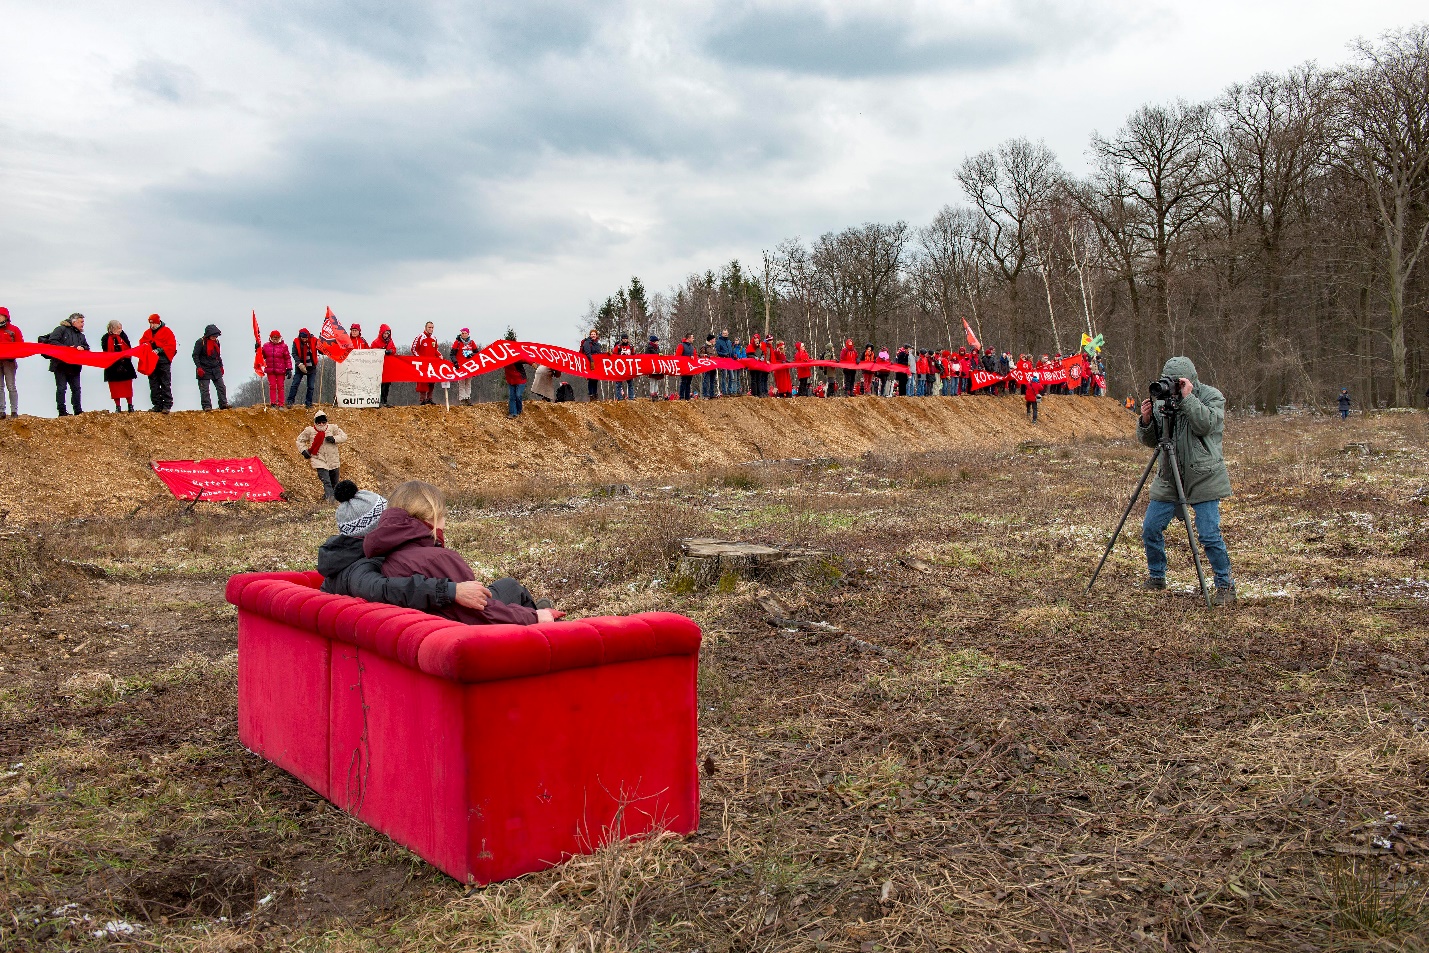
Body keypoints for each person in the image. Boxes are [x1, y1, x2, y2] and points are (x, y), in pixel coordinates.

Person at [364, 480, 564, 626]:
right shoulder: (438, 558)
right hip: (468, 632)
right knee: (513, 588)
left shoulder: (385, 555)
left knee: (507, 586)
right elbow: (481, 614)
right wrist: (534, 617)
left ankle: (536, 608)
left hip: (437, 625)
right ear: (433, 515)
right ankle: (543, 621)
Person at [1137, 356, 1236, 606]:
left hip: (1204, 475)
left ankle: (1225, 585)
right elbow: (1153, 441)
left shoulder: (1211, 396)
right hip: (1170, 475)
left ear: (1190, 380)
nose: (1172, 387)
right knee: (1150, 527)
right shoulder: (1162, 401)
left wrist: (1188, 398)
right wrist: (1146, 421)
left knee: (1209, 534)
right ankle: (1157, 576)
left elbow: (1206, 426)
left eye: (1176, 382)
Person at [318, 480, 492, 614]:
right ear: (378, 526)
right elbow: (382, 589)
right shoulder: (361, 566)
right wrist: (451, 590)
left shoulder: (347, 559)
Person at [39, 313, 89, 416]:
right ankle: (62, 412)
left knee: (76, 389)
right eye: (81, 322)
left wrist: (83, 348)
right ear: (74, 322)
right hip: (60, 365)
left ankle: (78, 411)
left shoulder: (81, 335)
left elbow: (87, 347)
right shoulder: (60, 329)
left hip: (74, 366)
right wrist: (67, 348)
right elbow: (52, 341)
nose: (83, 324)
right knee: (61, 388)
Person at [296, 411, 347, 500]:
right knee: (326, 481)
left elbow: (344, 436)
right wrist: (304, 451)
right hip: (318, 459)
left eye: (323, 422)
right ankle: (330, 500)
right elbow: (299, 440)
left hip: (333, 459)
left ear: (326, 422)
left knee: (334, 482)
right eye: (319, 422)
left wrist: (334, 439)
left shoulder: (332, 428)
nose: (321, 424)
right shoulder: (310, 431)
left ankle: (329, 497)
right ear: (315, 422)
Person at [138, 314, 176, 412]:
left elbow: (171, 346)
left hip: (163, 361)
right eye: (150, 323)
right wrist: (148, 346)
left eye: (154, 323)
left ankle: (167, 405)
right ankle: (157, 405)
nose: (152, 325)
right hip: (151, 361)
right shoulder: (147, 333)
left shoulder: (167, 331)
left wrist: (159, 349)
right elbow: (142, 343)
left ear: (158, 322)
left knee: (165, 383)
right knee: (153, 383)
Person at [101, 320, 136, 412]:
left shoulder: (123, 336)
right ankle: (118, 407)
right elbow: (105, 351)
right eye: (118, 328)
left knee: (127, 386)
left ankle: (130, 405)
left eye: (121, 328)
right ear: (113, 328)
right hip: (112, 366)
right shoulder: (105, 337)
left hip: (125, 364)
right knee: (115, 388)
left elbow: (129, 348)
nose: (120, 330)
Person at [192, 324, 228, 411]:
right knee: (204, 389)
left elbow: (218, 356)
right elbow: (195, 355)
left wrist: (221, 366)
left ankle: (223, 404)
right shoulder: (200, 342)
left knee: (221, 386)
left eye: (216, 336)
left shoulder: (217, 342)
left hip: (215, 367)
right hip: (204, 368)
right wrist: (199, 367)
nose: (215, 337)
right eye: (213, 336)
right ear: (208, 335)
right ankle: (207, 406)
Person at [287, 328, 319, 408]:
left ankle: (308, 403)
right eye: (302, 338)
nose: (304, 339)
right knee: (295, 384)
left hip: (312, 366)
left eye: (305, 338)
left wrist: (323, 349)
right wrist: (299, 364)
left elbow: (320, 349)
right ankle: (290, 401)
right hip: (300, 366)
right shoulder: (296, 341)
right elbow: (294, 353)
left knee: (311, 386)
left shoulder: (314, 340)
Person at [411, 322, 440, 405]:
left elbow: (435, 350)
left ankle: (429, 398)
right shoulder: (420, 337)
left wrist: (439, 355)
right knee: (422, 381)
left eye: (432, 327)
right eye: (429, 327)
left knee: (432, 380)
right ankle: (422, 399)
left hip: (431, 364)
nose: (431, 329)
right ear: (425, 328)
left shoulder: (434, 338)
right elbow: (413, 349)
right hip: (422, 364)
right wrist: (419, 358)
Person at [261, 330, 292, 406]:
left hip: (281, 370)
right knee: (272, 386)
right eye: (274, 338)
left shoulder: (284, 346)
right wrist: (258, 349)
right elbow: (262, 356)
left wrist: (289, 369)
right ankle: (273, 403)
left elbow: (287, 358)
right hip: (270, 369)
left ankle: (281, 403)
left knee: (280, 386)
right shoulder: (266, 346)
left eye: (277, 338)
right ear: (270, 338)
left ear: (279, 338)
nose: (275, 339)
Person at [0, 307, 21, 418]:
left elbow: (21, 344)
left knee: (11, 386)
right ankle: (1, 411)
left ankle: (14, 411)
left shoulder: (13, 329)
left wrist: (12, 354)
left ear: (5, 316)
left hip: (9, 361)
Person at [450, 329, 479, 405]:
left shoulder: (472, 343)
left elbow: (477, 353)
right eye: (462, 333)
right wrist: (455, 362)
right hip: (460, 366)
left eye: (465, 333)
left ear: (468, 334)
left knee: (468, 383)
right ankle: (462, 399)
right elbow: (452, 354)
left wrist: (472, 354)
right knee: (461, 383)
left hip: (469, 366)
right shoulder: (457, 342)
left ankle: (468, 398)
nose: (464, 335)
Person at [370, 324, 396, 406]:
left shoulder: (390, 342)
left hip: (388, 367)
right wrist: (380, 351)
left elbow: (394, 349)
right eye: (384, 333)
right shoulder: (376, 342)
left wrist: (390, 351)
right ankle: (378, 401)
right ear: (381, 333)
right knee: (379, 384)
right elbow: (372, 351)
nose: (386, 335)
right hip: (379, 367)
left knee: (387, 384)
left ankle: (385, 400)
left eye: (387, 334)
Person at [579, 329, 603, 401]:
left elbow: (599, 353)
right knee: (590, 379)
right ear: (590, 335)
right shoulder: (587, 342)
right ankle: (591, 395)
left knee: (595, 379)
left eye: (594, 334)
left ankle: (595, 394)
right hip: (589, 363)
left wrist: (607, 354)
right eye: (592, 334)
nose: (593, 335)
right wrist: (592, 361)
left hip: (596, 364)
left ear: (596, 335)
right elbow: (587, 353)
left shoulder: (598, 344)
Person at [505, 351, 528, 417]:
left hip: (520, 380)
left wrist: (532, 363)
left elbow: (526, 359)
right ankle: (512, 413)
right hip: (511, 380)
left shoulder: (516, 358)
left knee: (518, 395)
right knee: (512, 397)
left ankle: (519, 411)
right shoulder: (503, 359)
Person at [612, 333, 635, 400]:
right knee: (618, 384)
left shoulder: (630, 346)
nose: (625, 340)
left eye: (626, 338)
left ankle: (631, 397)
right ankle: (619, 398)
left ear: (627, 339)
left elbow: (634, 355)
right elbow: (614, 355)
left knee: (630, 383)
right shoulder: (618, 347)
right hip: (620, 367)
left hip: (628, 367)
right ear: (622, 339)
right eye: (624, 338)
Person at [675, 333, 696, 400]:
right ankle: (681, 397)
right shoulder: (681, 345)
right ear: (688, 338)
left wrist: (693, 357)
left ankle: (687, 397)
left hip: (691, 367)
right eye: (692, 338)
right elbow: (677, 356)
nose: (693, 339)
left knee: (689, 382)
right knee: (684, 381)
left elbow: (695, 356)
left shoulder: (692, 347)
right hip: (683, 366)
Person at [716, 328, 736, 396]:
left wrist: (734, 356)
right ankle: (724, 392)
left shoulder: (729, 341)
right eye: (724, 333)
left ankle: (730, 391)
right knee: (724, 376)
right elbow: (717, 351)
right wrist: (724, 354)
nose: (725, 334)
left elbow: (731, 350)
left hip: (730, 360)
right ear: (722, 334)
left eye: (726, 333)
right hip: (723, 360)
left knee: (732, 377)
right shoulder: (718, 341)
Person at [644, 334, 663, 400]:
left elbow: (658, 353)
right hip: (651, 365)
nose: (657, 343)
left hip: (657, 365)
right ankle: (652, 393)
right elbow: (646, 356)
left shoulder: (657, 348)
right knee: (652, 380)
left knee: (656, 380)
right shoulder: (649, 348)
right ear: (653, 342)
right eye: (656, 341)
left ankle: (655, 393)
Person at [700, 333, 718, 399]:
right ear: (710, 340)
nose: (714, 340)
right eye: (713, 339)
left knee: (712, 380)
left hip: (713, 365)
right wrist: (707, 356)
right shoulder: (704, 346)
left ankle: (712, 394)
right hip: (707, 366)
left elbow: (716, 355)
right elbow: (701, 355)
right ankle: (705, 394)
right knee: (706, 380)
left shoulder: (713, 347)